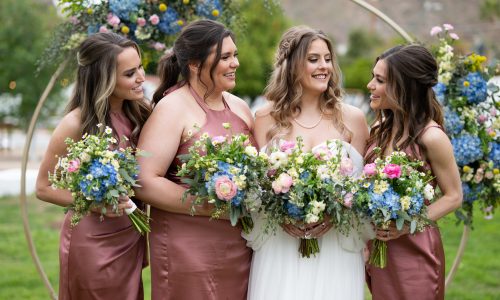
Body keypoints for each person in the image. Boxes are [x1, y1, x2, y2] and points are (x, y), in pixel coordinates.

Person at [243, 26, 374, 300]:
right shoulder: (266, 118)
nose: (324, 66)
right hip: (279, 245)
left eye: (327, 59)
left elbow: (361, 191)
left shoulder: (353, 119)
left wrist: (331, 215)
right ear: (291, 66)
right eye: (313, 59)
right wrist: (282, 216)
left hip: (335, 247)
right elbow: (255, 189)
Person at [134, 19, 254, 300]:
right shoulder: (172, 107)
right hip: (187, 250)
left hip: (239, 246)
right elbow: (143, 181)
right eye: (225, 57)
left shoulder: (240, 107)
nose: (235, 63)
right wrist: (206, 206)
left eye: (235, 55)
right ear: (195, 65)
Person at [35, 32, 151, 299]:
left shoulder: (139, 114)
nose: (141, 77)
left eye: (140, 67)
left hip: (129, 237)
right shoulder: (75, 124)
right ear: (104, 79)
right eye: (130, 73)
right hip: (92, 243)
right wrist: (93, 203)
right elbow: (43, 187)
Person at [364, 44, 463, 300]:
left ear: (404, 87)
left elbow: (453, 196)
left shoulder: (431, 137)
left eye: (379, 80)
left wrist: (409, 224)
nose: (370, 85)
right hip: (381, 250)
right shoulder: (380, 128)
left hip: (415, 252)